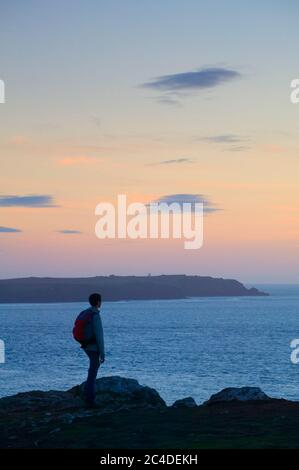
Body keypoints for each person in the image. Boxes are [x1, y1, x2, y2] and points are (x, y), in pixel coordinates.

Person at [82, 293, 105, 408]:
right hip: (94, 348)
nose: (101, 302)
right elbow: (99, 336)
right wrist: (103, 353)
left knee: (91, 370)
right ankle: (90, 399)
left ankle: (88, 394)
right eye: (100, 301)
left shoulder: (85, 313)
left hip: (86, 346)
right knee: (93, 372)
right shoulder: (95, 315)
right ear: (97, 302)